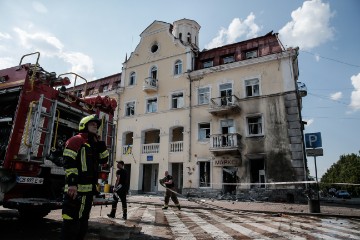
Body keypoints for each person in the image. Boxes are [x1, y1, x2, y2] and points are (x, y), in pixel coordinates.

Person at [61, 114, 109, 240]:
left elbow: (104, 160)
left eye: (96, 125)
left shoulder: (93, 144)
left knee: (83, 222)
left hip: (88, 192)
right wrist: (72, 183)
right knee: (71, 222)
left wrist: (102, 145)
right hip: (75, 191)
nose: (95, 126)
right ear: (84, 125)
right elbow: (69, 163)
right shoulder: (76, 140)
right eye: (92, 124)